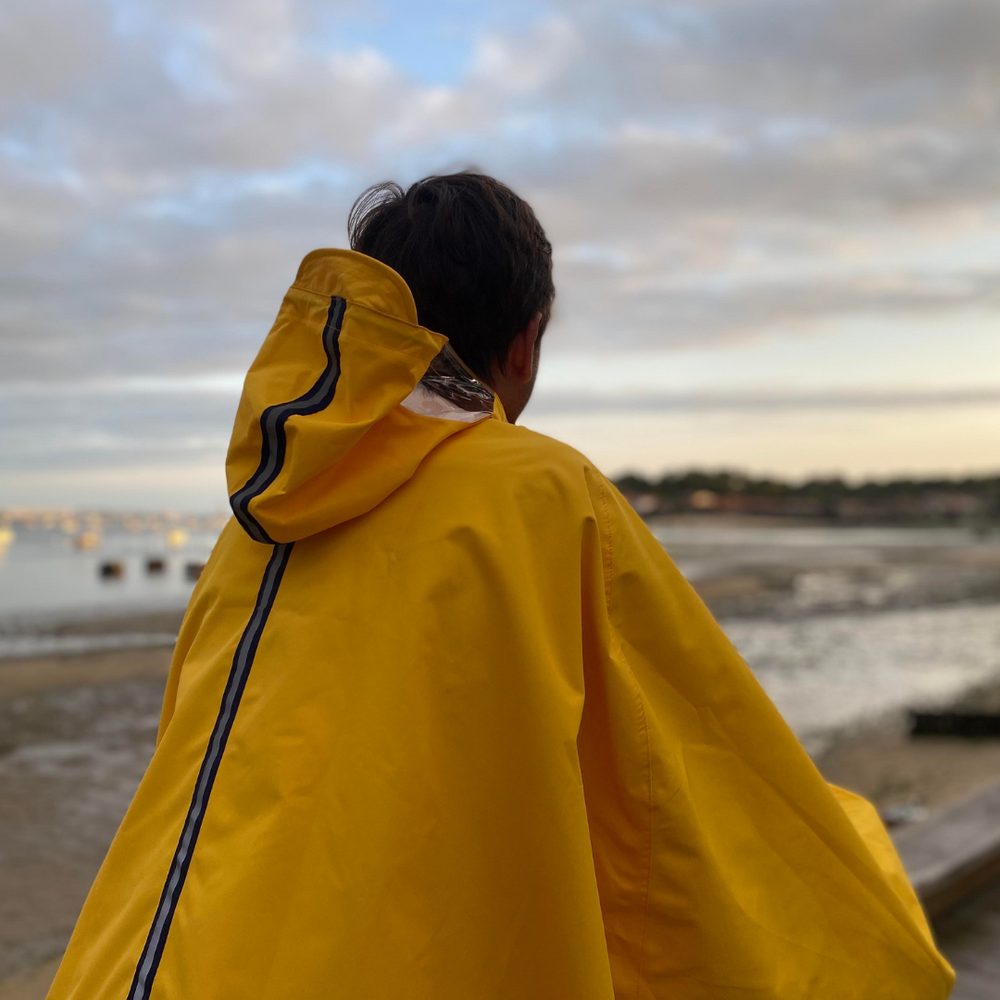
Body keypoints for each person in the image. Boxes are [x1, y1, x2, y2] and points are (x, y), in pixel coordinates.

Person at [48, 173, 953, 1000]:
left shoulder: (255, 526)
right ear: (526, 341)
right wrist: (868, 906)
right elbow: (694, 790)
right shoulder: (548, 494)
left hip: (143, 963)